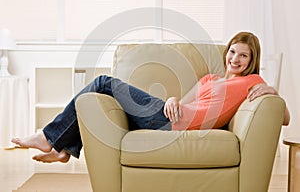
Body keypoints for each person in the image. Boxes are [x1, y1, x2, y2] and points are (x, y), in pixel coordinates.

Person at [12, 31, 290, 163]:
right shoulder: (211, 79)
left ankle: (49, 138)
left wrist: (274, 92)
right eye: (232, 51)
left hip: (173, 127)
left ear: (252, 61)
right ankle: (64, 149)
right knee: (106, 103)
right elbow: (185, 102)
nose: (235, 59)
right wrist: (172, 100)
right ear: (226, 52)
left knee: (102, 83)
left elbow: (284, 118)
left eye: (244, 55)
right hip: (168, 115)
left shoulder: (252, 81)